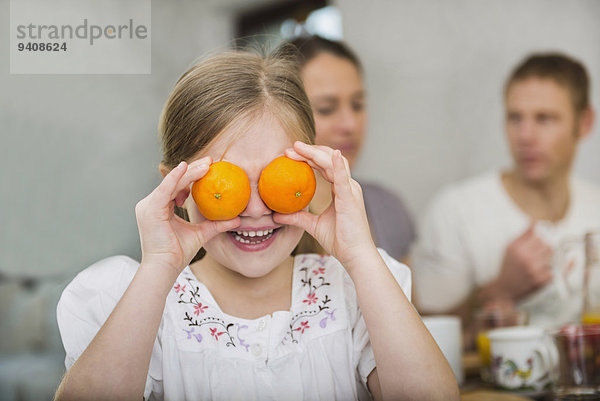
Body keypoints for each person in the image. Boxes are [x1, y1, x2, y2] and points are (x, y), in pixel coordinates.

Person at [54, 48, 458, 400]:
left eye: (275, 180)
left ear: (315, 175)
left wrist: (359, 254)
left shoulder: (355, 291)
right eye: (226, 184)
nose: (253, 210)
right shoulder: (134, 303)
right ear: (176, 189)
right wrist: (158, 264)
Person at [411, 52, 600, 333]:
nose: (525, 136)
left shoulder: (595, 205)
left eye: (544, 119)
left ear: (584, 123)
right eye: (515, 118)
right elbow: (421, 331)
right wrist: (498, 289)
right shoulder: (456, 210)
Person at [288, 35, 415, 262]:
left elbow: (408, 299)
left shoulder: (388, 207)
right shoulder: (261, 223)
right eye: (326, 109)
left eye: (358, 105)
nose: (351, 124)